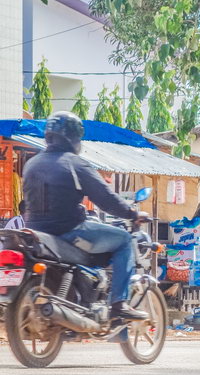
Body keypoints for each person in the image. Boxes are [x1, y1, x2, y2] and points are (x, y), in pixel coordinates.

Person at [22, 111, 149, 320]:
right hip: (69, 231)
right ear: (73, 137)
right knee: (124, 240)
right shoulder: (74, 163)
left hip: (37, 233)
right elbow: (106, 198)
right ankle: (118, 303)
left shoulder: (31, 164)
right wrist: (132, 214)